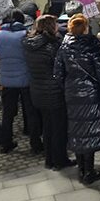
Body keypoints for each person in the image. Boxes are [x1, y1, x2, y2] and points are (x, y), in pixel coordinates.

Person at [54, 14, 100, 185]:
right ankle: (88, 172)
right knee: (89, 131)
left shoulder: (64, 47)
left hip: (72, 95)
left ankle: (81, 168)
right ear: (86, 28)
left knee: (78, 130)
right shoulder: (92, 47)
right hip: (91, 95)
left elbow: (58, 73)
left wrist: (68, 88)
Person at [22, 15, 74, 170]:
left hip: (38, 92)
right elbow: (63, 68)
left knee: (47, 126)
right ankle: (60, 160)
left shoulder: (29, 44)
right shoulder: (54, 45)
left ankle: (49, 159)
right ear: (51, 27)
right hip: (55, 92)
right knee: (59, 128)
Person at [0, 9, 42, 154]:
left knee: (8, 114)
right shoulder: (25, 35)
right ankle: (35, 144)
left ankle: (6, 143)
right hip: (26, 79)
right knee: (31, 113)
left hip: (7, 80)